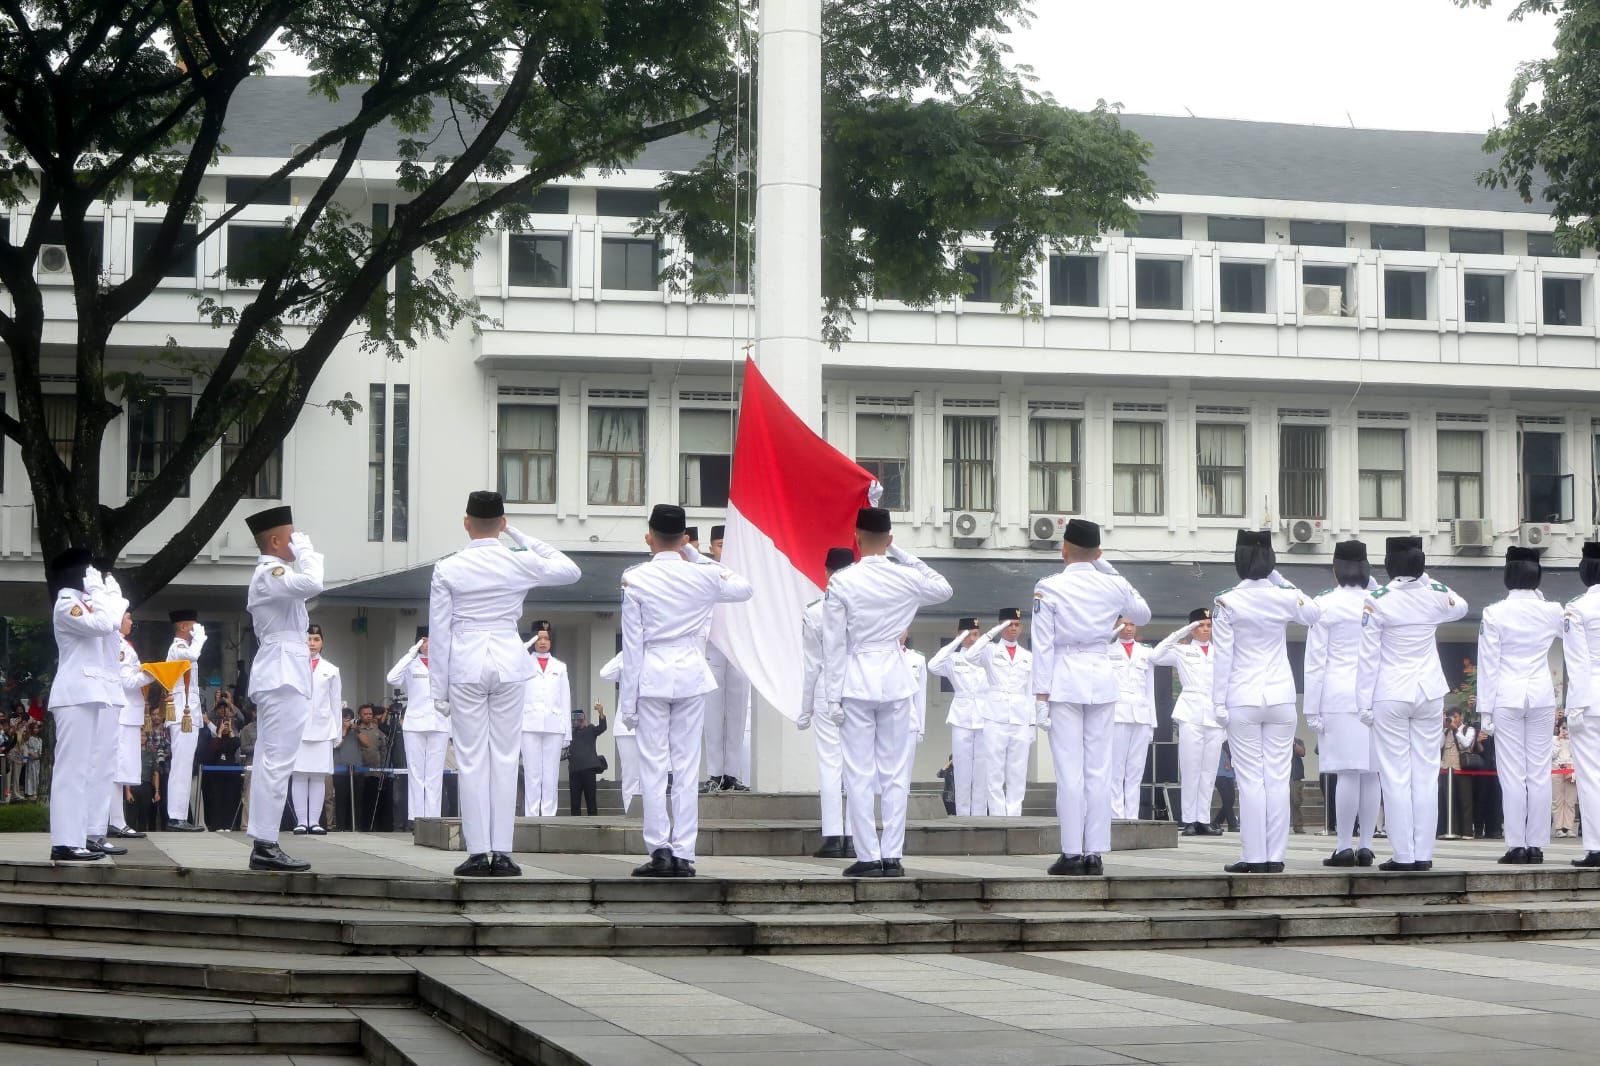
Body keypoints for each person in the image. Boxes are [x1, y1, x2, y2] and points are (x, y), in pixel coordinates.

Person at [429, 489, 581, 877]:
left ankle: (479, 851)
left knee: (471, 758)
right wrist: (520, 537)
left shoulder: (448, 568)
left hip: (466, 662)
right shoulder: (520, 561)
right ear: (501, 523)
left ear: (466, 523)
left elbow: (439, 632)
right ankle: (504, 851)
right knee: (505, 756)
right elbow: (569, 570)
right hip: (509, 660)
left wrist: (438, 689)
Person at [619, 504, 753, 877]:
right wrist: (696, 555)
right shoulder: (702, 576)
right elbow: (744, 588)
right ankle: (684, 852)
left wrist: (627, 702)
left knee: (653, 765)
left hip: (653, 674)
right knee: (687, 765)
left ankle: (659, 848)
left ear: (649, 536)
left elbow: (632, 647)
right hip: (691, 673)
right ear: (684, 538)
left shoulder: (636, 579)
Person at [822, 506, 952, 877]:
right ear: (890, 540)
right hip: (896, 677)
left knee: (859, 773)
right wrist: (902, 555)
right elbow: (944, 588)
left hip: (858, 676)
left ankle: (868, 856)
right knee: (897, 774)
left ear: (857, 539)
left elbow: (833, 645)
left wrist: (832, 697)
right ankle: (893, 855)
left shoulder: (843, 581)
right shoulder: (906, 577)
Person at [1031, 518, 1150, 876]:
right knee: (1100, 770)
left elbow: (1042, 645)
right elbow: (1142, 613)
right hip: (1101, 677)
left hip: (1065, 678)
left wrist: (1040, 696)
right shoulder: (1113, 585)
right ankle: (1095, 852)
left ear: (1063, 549)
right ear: (1098, 552)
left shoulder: (1049, 587)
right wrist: (1107, 566)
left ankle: (1071, 852)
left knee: (1070, 771)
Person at [1211, 530, 1321, 874]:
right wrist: (1278, 577)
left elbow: (1222, 658)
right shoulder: (1284, 596)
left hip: (1242, 696)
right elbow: (1314, 613)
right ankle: (1275, 856)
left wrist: (1217, 703)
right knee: (1277, 778)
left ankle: (1254, 855)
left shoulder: (1226, 600)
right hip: (1280, 697)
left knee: (1251, 781)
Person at [1356, 536, 1469, 872]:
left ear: (1389, 565)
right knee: (1425, 775)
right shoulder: (1433, 594)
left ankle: (1403, 854)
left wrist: (1363, 702)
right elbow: (1460, 606)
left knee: (1395, 776)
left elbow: (1368, 656)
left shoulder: (1377, 599)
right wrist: (1428, 579)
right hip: (1429, 691)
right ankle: (1423, 853)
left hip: (1391, 691)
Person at [243, 505, 324, 872]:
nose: (298, 540)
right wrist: (308, 553)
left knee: (273, 760)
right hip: (282, 673)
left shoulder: (276, 576)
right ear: (275, 541)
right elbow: (314, 583)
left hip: (285, 671)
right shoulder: (270, 573)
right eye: (292, 536)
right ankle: (265, 844)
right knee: (276, 761)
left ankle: (265, 840)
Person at [1477, 545, 1563, 865]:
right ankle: (1537, 844)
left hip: (1507, 695)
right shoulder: (1553, 610)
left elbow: (1488, 664)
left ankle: (1516, 845)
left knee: (1513, 774)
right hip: (1540, 693)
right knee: (1539, 772)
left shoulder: (1494, 612)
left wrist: (1485, 711)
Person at [44, 549, 126, 862]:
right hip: (73, 693)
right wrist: (97, 591)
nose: (93, 577)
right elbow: (104, 624)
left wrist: (104, 593)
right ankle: (65, 842)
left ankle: (77, 838)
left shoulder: (83, 603)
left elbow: (112, 623)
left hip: (87, 693)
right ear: (78, 576)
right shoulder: (67, 604)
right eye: (88, 573)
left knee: (84, 770)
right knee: (71, 771)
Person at [1303, 541, 1380, 867]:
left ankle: (1344, 845)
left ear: (1335, 569)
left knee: (1348, 773)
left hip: (1338, 693)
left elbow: (1315, 660)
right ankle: (1365, 844)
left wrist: (1311, 706)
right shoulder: (1377, 601)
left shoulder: (1324, 604)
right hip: (1375, 693)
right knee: (1372, 773)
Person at [798, 547, 861, 858]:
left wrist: (805, 706)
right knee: (858, 763)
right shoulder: (865, 606)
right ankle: (855, 835)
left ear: (825, 571)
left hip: (826, 687)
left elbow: (811, 664)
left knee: (830, 763)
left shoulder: (814, 611)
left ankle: (834, 836)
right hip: (858, 687)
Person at [1151, 608, 1223, 836]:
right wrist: (1181, 632)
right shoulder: (1181, 651)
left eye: (1209, 626)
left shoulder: (1221, 651)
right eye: (1200, 625)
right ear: (1192, 628)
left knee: (1209, 771)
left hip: (1214, 714)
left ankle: (1204, 818)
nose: (1205, 630)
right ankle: (1189, 819)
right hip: (1191, 712)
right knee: (1191, 769)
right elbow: (1155, 656)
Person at [966, 608, 1035, 818]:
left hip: (1020, 717)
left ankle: (1014, 815)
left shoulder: (1028, 656)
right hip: (995, 717)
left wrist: (1032, 724)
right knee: (994, 770)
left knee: (1017, 770)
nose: (1013, 629)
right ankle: (997, 816)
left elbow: (1031, 690)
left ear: (1021, 627)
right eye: (1008, 624)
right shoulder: (990, 651)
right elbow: (970, 655)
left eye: (1016, 624)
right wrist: (991, 633)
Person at [701, 523, 753, 794]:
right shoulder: (706, 573)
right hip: (713, 647)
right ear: (712, 548)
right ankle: (714, 772)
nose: (725, 551)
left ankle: (732, 773)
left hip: (738, 649)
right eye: (721, 545)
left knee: (736, 712)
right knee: (712, 713)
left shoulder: (743, 577)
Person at [387, 626, 449, 828]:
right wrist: (410, 653)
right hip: (414, 723)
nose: (428, 644)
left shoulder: (445, 664)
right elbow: (392, 678)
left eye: (432, 640)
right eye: (424, 640)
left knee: (434, 775)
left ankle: (432, 818)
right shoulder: (411, 665)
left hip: (439, 723)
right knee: (416, 773)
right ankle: (416, 818)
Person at [927, 618, 990, 817]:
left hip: (984, 716)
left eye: (975, 634)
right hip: (961, 717)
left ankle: (979, 816)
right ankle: (962, 815)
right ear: (960, 635)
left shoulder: (987, 656)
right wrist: (956, 642)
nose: (972, 639)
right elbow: (933, 665)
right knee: (962, 769)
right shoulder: (953, 659)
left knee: (982, 771)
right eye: (968, 634)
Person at [1563, 541, 1600, 866]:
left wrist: (1573, 706)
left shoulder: (1576, 607)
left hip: (1590, 697)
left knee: (1590, 774)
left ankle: (1597, 845)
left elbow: (1577, 661)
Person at [288, 624, 341, 835]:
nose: (312, 643)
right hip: (298, 728)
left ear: (322, 642)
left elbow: (335, 702)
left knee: (319, 776)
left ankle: (315, 821)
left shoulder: (331, 669)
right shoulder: (293, 666)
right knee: (299, 775)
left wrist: (337, 732)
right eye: (309, 639)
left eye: (316, 639)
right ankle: (301, 821)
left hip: (322, 728)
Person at [162, 608, 207, 833]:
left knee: (185, 764)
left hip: (189, 713)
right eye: (193, 626)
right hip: (181, 714)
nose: (196, 630)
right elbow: (193, 656)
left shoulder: (186, 647)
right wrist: (199, 640)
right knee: (181, 765)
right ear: (182, 627)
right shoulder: (178, 647)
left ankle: (179, 815)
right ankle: (176, 816)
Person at [1106, 618, 1156, 821]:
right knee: (1116, 770)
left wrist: (1152, 723)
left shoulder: (1146, 652)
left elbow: (1150, 688)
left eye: (1132, 624)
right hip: (1116, 715)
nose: (1128, 628)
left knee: (1135, 771)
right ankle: (1116, 816)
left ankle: (1132, 816)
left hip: (1141, 716)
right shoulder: (1107, 651)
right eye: (1123, 624)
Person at [520, 623, 571, 818]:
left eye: (546, 638)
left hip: (554, 725)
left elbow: (565, 699)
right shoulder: (523, 663)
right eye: (539, 638)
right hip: (529, 725)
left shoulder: (560, 667)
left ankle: (549, 814)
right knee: (532, 773)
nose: (542, 642)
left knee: (551, 774)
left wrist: (568, 731)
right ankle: (532, 814)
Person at [107, 612, 151, 840]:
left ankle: (117, 820)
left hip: (127, 714)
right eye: (128, 617)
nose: (131, 621)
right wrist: (152, 674)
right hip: (123, 714)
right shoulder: (118, 644)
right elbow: (126, 681)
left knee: (120, 770)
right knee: (118, 770)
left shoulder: (122, 643)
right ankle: (115, 821)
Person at [597, 657, 640, 814]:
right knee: (630, 774)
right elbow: (605, 673)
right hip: (626, 727)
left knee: (652, 773)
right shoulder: (625, 658)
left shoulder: (654, 653)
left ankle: (650, 813)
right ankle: (631, 812)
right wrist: (627, 650)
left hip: (651, 724)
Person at [567, 704, 608, 815]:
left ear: (584, 718)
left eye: (580, 718)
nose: (577, 721)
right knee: (574, 802)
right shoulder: (570, 734)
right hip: (574, 771)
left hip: (588, 770)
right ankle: (575, 825)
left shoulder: (590, 729)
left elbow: (602, 727)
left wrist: (600, 713)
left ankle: (593, 824)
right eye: (574, 719)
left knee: (591, 800)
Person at [1441, 709, 1476, 838]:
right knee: (1450, 801)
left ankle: (1467, 831)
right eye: (1451, 718)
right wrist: (1443, 728)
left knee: (1465, 800)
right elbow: (1439, 745)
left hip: (1462, 768)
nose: (1453, 720)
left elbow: (1466, 744)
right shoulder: (1445, 731)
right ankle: (1453, 830)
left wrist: (1456, 731)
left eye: (1455, 717)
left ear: (1460, 716)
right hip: (1446, 768)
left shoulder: (1468, 729)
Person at [1554, 722, 1577, 838]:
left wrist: (1572, 739)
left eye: (1568, 728)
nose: (1565, 731)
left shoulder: (1575, 740)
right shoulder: (1553, 739)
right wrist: (1558, 740)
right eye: (1563, 728)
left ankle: (1568, 827)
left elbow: (1577, 755)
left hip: (1571, 770)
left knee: (1570, 801)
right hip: (1557, 770)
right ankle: (1558, 828)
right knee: (1558, 801)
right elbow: (1551, 755)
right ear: (1558, 728)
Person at [1214, 744, 1239, 832]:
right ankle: (1232, 824)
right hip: (1218, 773)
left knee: (1231, 799)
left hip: (1229, 773)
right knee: (1227, 799)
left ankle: (1216, 822)